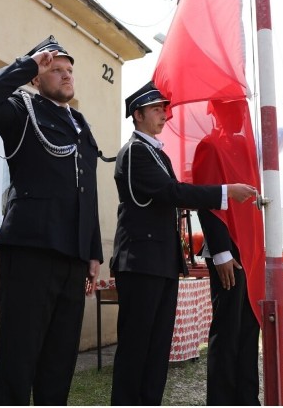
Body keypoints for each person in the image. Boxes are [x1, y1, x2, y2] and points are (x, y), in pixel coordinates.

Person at [0, 35, 102, 405]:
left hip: (73, 257)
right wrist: (27, 63)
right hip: (30, 251)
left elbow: (86, 190)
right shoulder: (20, 109)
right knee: (19, 355)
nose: (65, 75)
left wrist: (93, 252)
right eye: (55, 69)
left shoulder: (79, 123)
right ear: (36, 78)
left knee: (59, 361)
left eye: (69, 70)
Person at [109, 82, 257, 405]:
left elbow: (174, 195)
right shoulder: (134, 152)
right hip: (140, 262)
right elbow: (173, 193)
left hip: (161, 262)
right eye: (157, 109)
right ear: (137, 115)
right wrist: (224, 191)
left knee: (157, 352)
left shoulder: (156, 153)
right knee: (136, 352)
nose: (165, 114)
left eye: (164, 108)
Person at [192, 101, 264, 405]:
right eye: (230, 109)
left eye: (240, 108)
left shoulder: (245, 145)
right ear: (216, 112)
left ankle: (247, 398)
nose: (238, 114)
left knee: (250, 328)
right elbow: (207, 200)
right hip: (229, 250)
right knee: (227, 330)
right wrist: (221, 252)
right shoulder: (209, 145)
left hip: (249, 249)